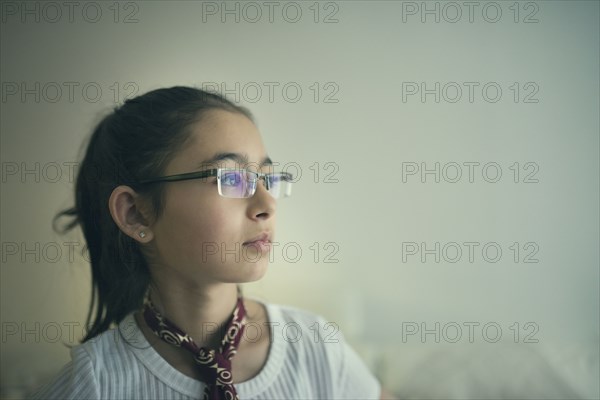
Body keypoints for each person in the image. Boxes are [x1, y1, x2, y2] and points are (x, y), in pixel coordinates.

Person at [30, 86, 385, 399]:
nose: (266, 205)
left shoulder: (316, 347)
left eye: (267, 178)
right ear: (136, 214)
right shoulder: (96, 382)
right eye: (231, 178)